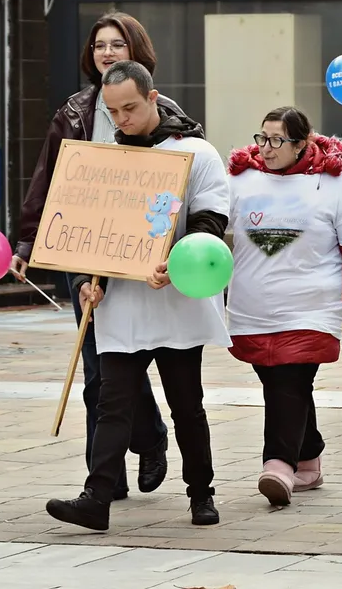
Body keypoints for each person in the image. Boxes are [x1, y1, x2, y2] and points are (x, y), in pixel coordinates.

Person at [45, 61, 232, 531]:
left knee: (186, 404)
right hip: (123, 303)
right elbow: (93, 232)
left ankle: (201, 494)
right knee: (112, 404)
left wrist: (181, 263)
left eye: (129, 108)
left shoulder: (195, 152)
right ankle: (96, 498)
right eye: (113, 111)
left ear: (152, 97)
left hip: (176, 300)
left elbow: (211, 219)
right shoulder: (106, 159)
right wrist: (86, 280)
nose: (122, 119)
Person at [10, 12, 169, 503]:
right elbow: (47, 177)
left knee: (126, 360)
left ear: (135, 51)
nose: (106, 52)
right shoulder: (74, 112)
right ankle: (107, 476)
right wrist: (27, 243)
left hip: (139, 249)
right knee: (99, 366)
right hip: (84, 246)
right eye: (99, 45)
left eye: (117, 44)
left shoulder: (165, 109)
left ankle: (150, 437)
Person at [226, 107, 342, 507]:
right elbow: (214, 226)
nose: (265, 148)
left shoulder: (335, 184)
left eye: (277, 140)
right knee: (281, 385)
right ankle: (308, 456)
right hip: (252, 308)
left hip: (311, 307)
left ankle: (278, 465)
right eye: (262, 138)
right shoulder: (241, 179)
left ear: (301, 144)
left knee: (290, 380)